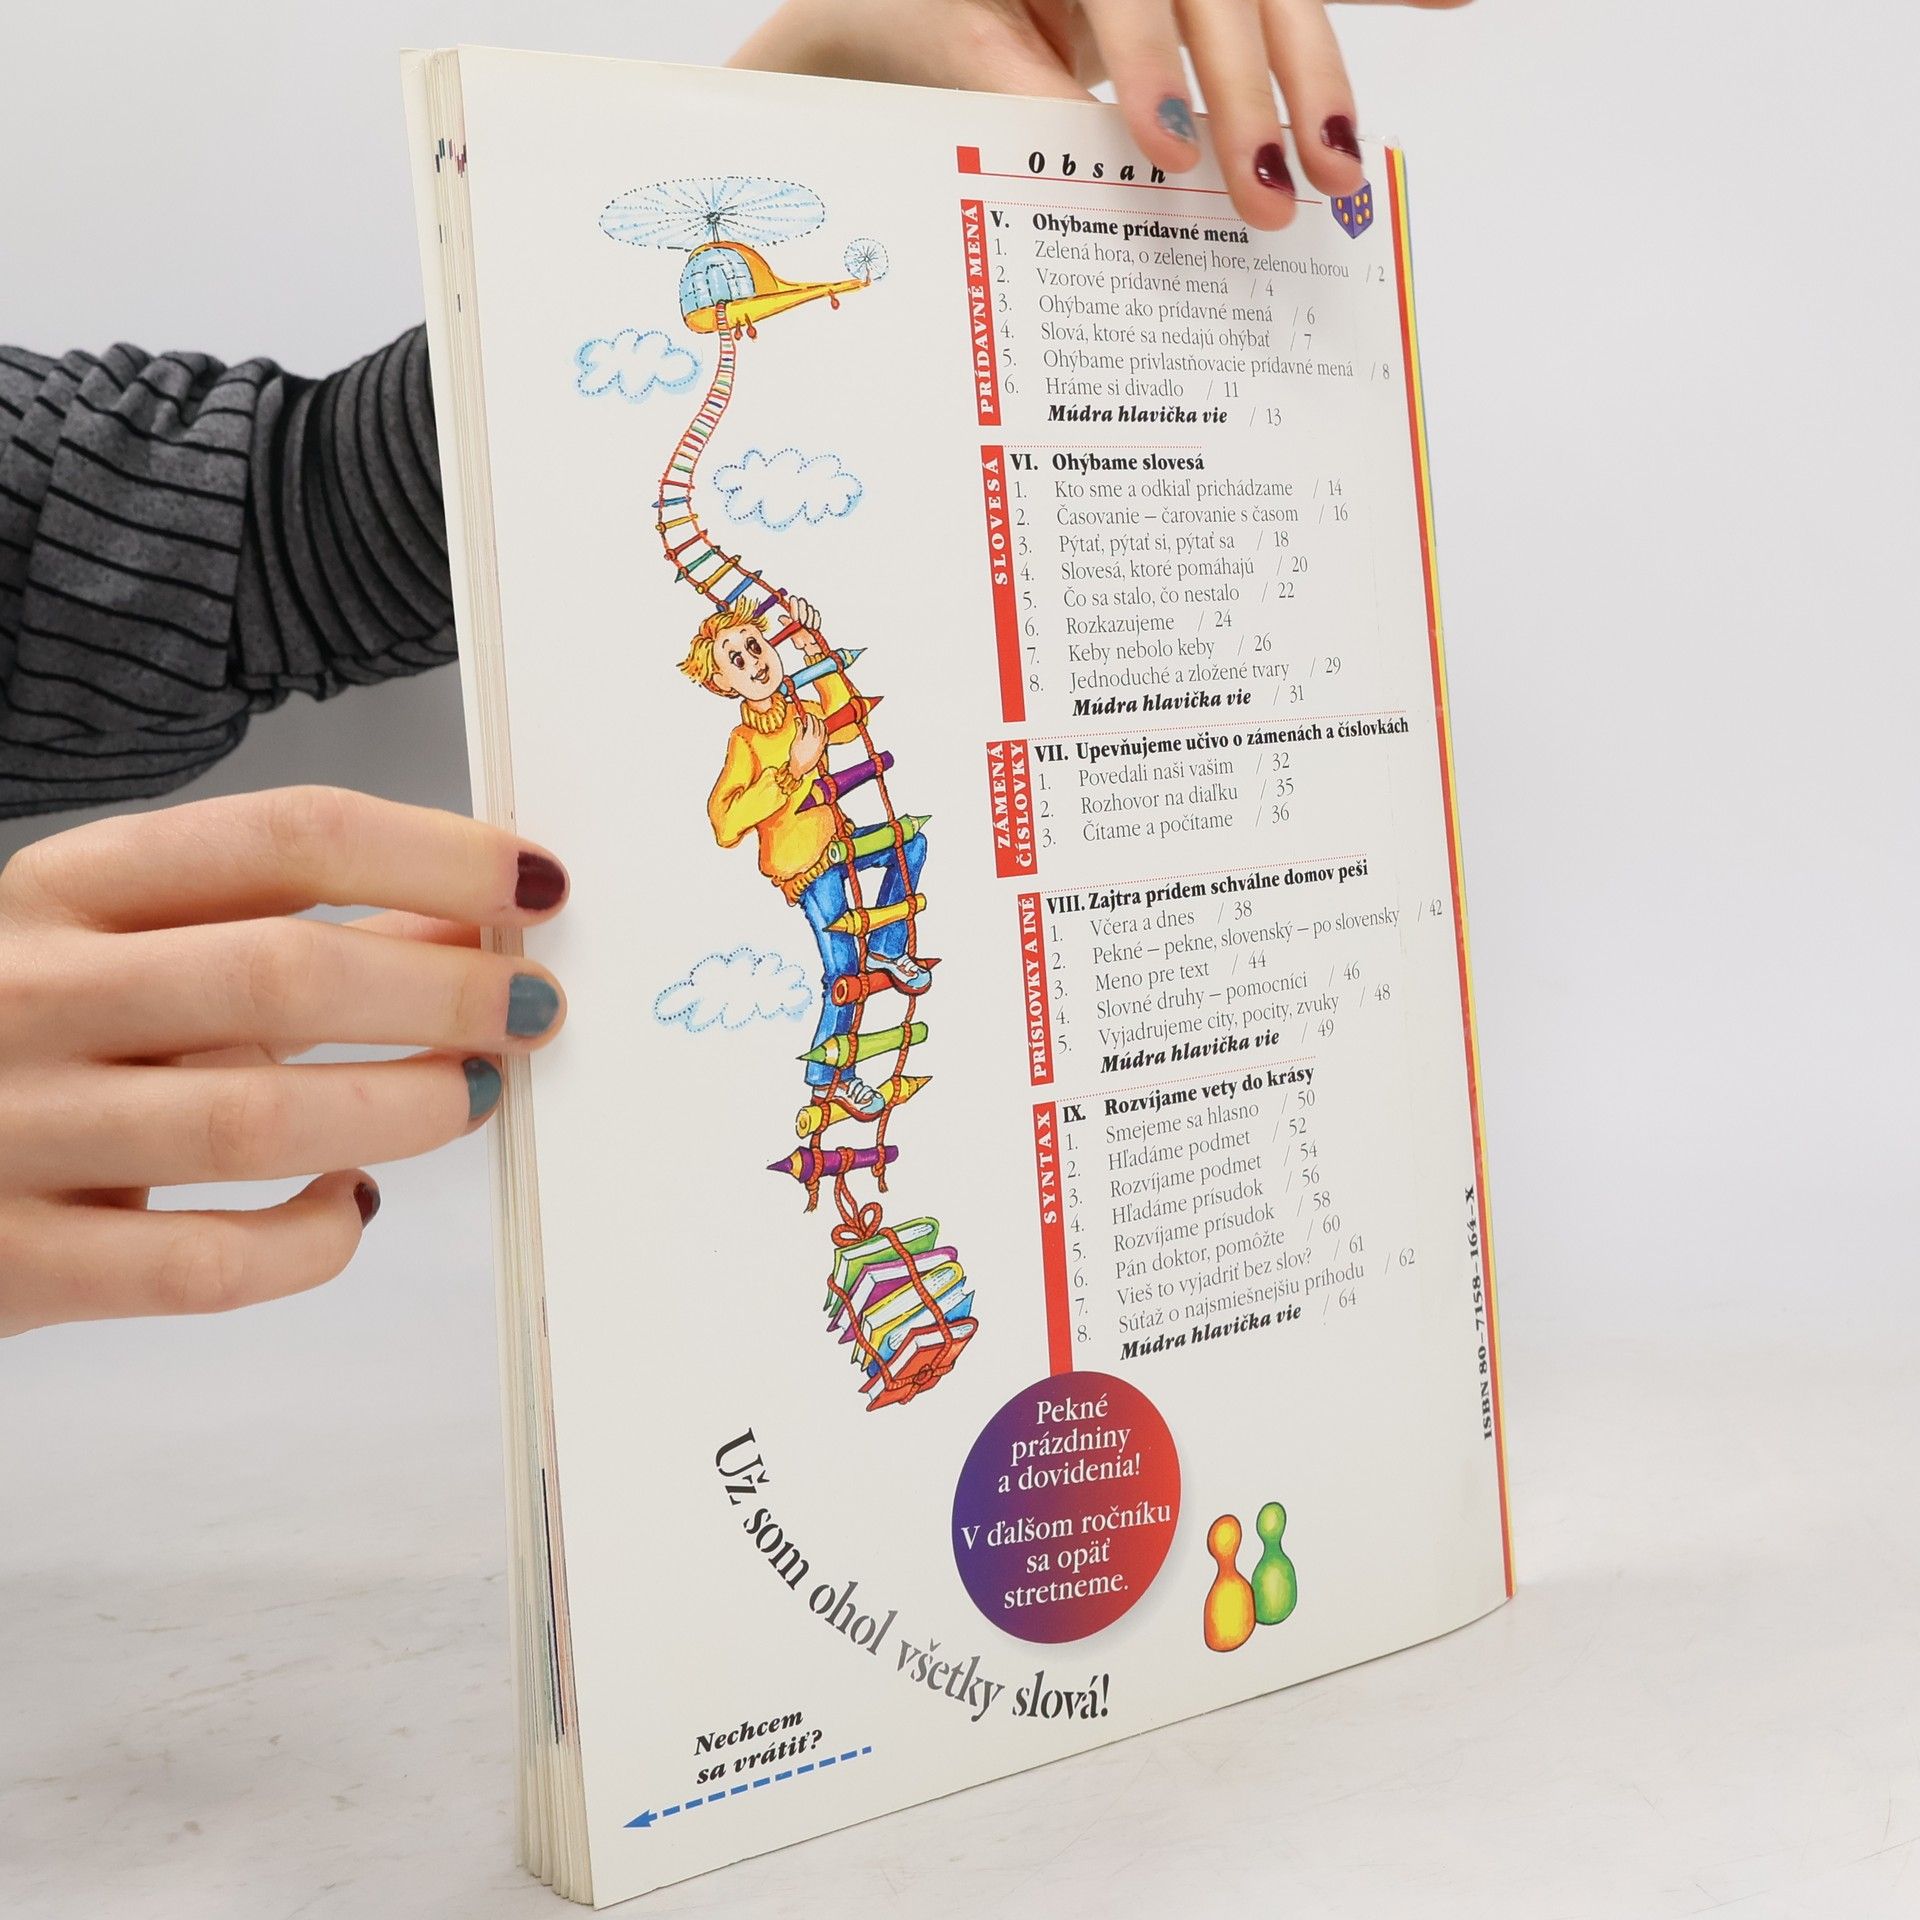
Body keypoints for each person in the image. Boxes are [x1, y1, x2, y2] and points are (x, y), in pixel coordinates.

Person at [0, 0, 1463, 1337]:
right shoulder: (770, 704)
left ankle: (876, 1226)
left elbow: (262, 523)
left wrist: (761, 122)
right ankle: (871, 1230)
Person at [683, 598, 931, 1118]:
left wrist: (812, 650)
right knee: (843, 971)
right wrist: (791, 773)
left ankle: (888, 949)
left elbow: (848, 719)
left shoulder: (802, 710)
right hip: (807, 868)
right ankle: (830, 1079)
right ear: (723, 683)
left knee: (910, 845)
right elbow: (724, 822)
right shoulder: (745, 742)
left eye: (755, 645)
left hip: (841, 843)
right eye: (737, 659)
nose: (754, 662)